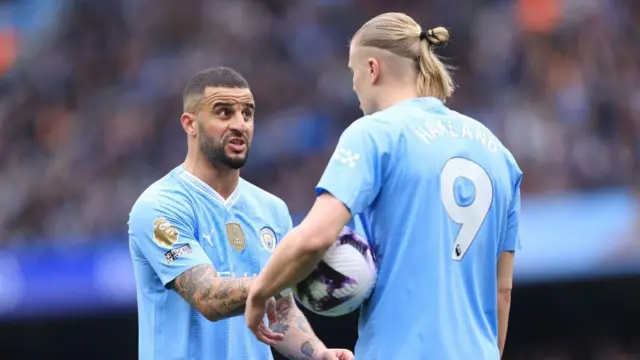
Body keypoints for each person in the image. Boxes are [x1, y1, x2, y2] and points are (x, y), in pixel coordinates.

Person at [245, 12, 521, 360]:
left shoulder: (375, 133)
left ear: (372, 68)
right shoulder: (498, 153)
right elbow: (502, 290)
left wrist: (260, 292)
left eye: (352, 72)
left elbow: (315, 238)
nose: (354, 86)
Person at [128, 67, 354, 360]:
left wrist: (319, 354)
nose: (240, 124)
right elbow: (207, 297)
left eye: (247, 114)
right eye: (224, 113)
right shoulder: (160, 206)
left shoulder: (272, 210)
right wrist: (274, 279)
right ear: (190, 124)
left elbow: (281, 312)